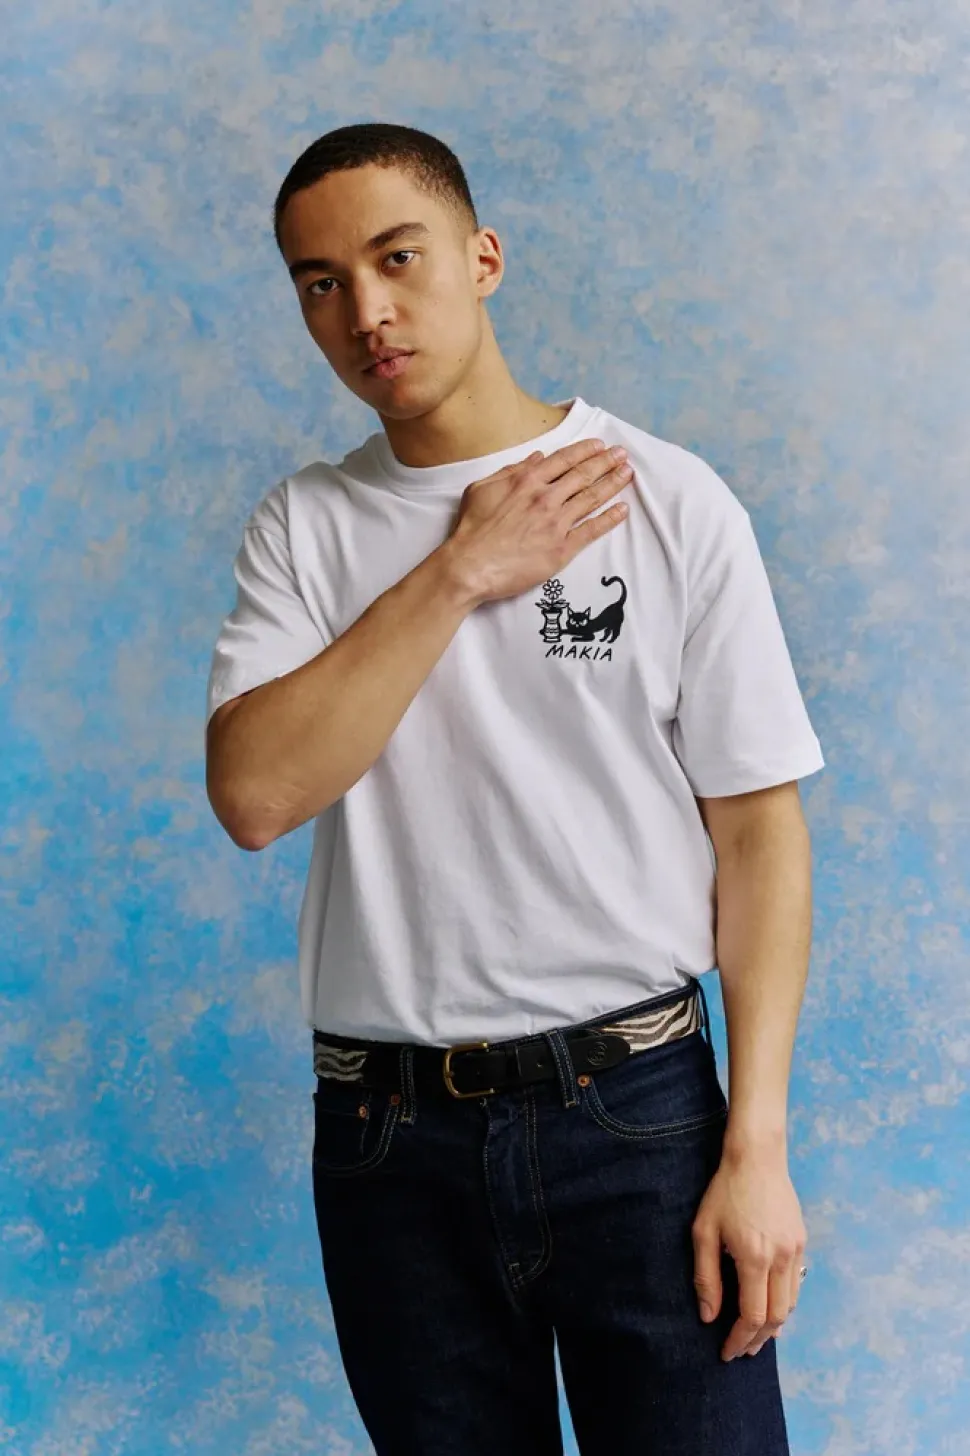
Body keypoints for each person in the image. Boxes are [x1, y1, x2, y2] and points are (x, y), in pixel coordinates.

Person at [204, 122, 824, 1455]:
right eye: (321, 282)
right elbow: (256, 796)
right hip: (387, 1140)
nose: (367, 313)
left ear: (480, 258)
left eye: (397, 258)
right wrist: (458, 573)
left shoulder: (666, 499)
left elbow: (759, 839)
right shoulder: (304, 529)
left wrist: (756, 1147)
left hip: (637, 1115)